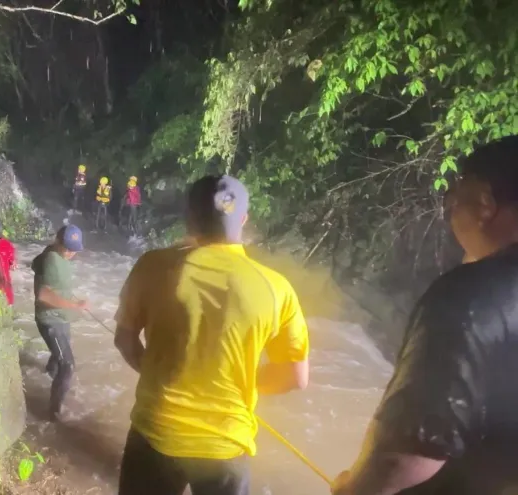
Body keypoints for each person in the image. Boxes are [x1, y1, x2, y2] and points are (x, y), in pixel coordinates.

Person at [331, 136, 518, 495]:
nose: (450, 205)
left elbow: (408, 451)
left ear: (484, 202)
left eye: (457, 194)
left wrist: (353, 489)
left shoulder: (472, 296)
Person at [114, 175, 310, 495]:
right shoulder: (276, 289)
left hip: (155, 432)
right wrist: (241, 381)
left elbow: (124, 340)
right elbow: (296, 377)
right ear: (243, 220)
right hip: (226, 445)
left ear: (189, 217)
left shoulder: (152, 266)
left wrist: (156, 370)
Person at [31, 224, 88, 421]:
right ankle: (53, 416)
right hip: (50, 320)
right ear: (58, 241)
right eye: (68, 247)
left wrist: (74, 302)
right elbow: (44, 295)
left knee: (57, 359)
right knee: (68, 365)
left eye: (74, 248)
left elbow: (57, 285)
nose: (71, 252)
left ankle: (44, 377)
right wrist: (73, 306)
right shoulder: (51, 259)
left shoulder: (58, 254)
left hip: (62, 318)